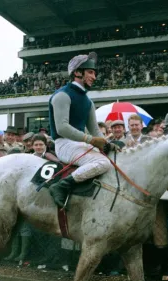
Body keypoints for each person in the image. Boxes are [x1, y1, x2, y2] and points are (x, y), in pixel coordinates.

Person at [48, 52, 115, 207]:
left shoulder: (88, 102)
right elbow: (62, 128)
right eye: (90, 72)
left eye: (94, 73)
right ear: (78, 72)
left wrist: (106, 144)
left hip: (79, 145)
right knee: (103, 163)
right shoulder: (62, 95)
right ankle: (61, 186)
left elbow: (96, 133)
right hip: (64, 144)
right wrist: (90, 140)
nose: (94, 77)